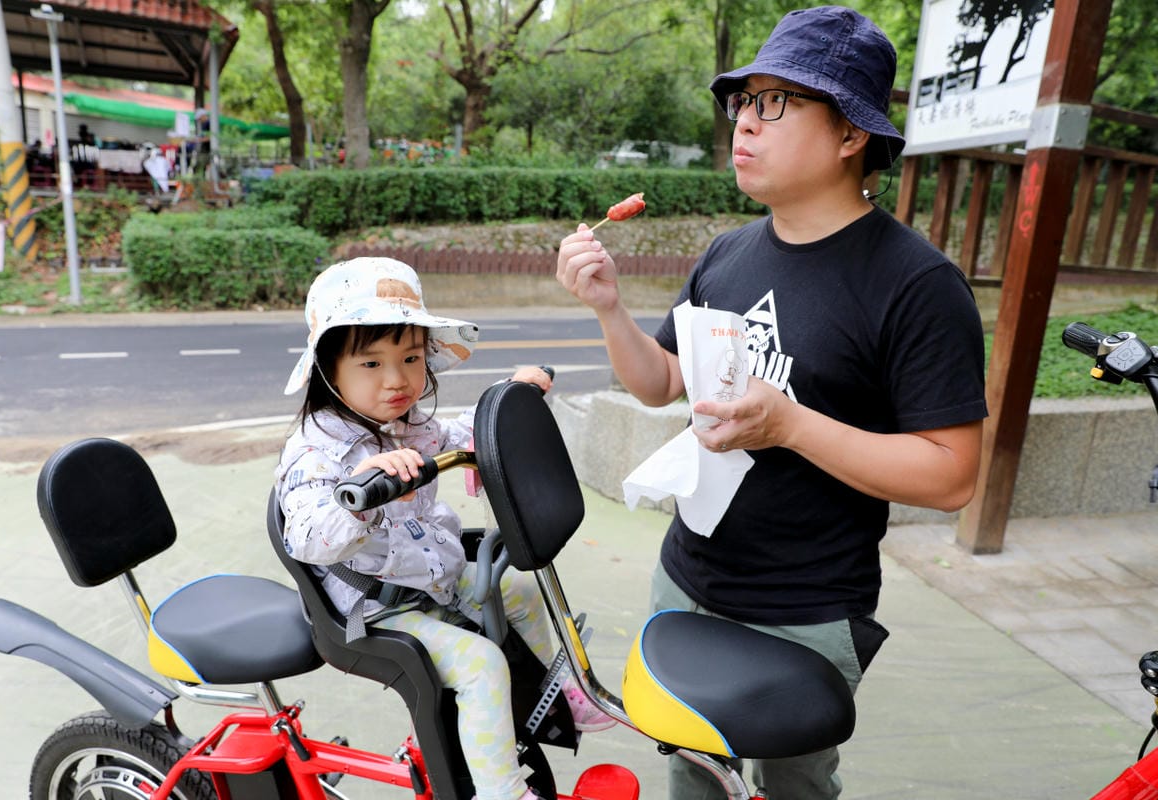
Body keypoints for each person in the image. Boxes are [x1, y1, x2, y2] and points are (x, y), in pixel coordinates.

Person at [556, 6, 987, 799]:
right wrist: (609, 308)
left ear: (852, 134)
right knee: (692, 775)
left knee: (796, 787)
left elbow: (952, 475)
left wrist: (790, 424)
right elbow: (659, 382)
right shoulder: (729, 253)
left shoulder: (917, 285)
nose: (743, 125)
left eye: (775, 103)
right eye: (741, 103)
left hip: (809, 609)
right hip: (686, 581)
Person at [274, 257, 613, 800]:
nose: (398, 379)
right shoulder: (316, 451)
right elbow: (308, 538)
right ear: (328, 370)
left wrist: (507, 399)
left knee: (521, 588)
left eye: (410, 357)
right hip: (376, 609)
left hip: (431, 576)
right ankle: (501, 790)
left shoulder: (406, 424)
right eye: (371, 363)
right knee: (480, 664)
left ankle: (560, 689)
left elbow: (462, 436)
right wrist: (361, 497)